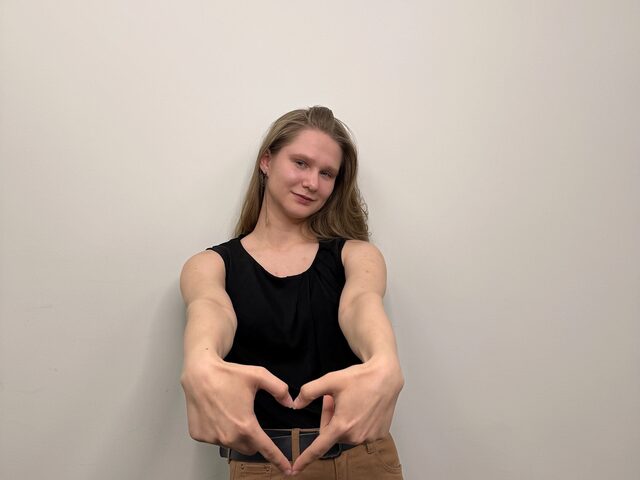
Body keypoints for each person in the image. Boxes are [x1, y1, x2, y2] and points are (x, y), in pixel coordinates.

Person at [179, 106, 404, 479]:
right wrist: (200, 359)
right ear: (266, 161)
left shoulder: (357, 256)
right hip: (264, 465)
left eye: (326, 173)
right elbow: (211, 310)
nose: (312, 182)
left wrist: (383, 357)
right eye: (301, 163)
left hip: (361, 460)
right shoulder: (210, 265)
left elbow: (360, 306)